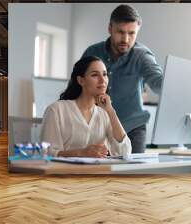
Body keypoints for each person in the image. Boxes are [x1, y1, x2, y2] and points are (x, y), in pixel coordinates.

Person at [81, 4, 163, 153]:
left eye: (132, 33)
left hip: (132, 129)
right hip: (98, 127)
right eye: (120, 32)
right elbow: (76, 86)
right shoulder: (92, 52)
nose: (125, 39)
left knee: (132, 175)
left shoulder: (142, 55)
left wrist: (175, 83)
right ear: (110, 28)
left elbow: (157, 82)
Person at [40, 56, 132, 158]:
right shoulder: (56, 110)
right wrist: (81, 153)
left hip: (98, 173)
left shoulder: (105, 114)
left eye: (105, 74)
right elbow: (46, 153)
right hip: (65, 173)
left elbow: (125, 152)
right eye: (95, 75)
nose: (103, 80)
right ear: (81, 81)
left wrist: (110, 111)